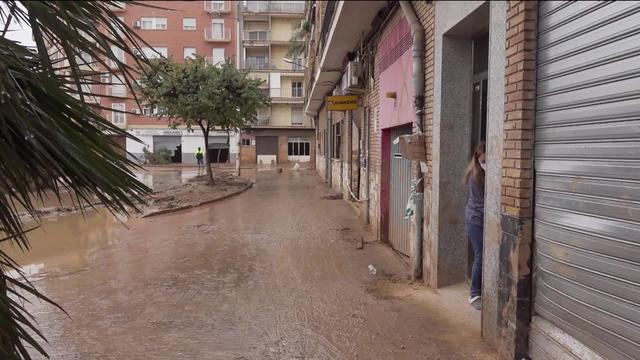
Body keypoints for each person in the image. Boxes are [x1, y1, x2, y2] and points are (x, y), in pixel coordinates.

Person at [464, 142, 486, 311]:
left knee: (482, 255)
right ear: (477, 159)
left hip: (481, 218)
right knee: (480, 255)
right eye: (482, 161)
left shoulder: (484, 173)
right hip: (475, 219)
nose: (484, 163)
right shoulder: (475, 175)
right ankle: (474, 294)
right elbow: (480, 204)